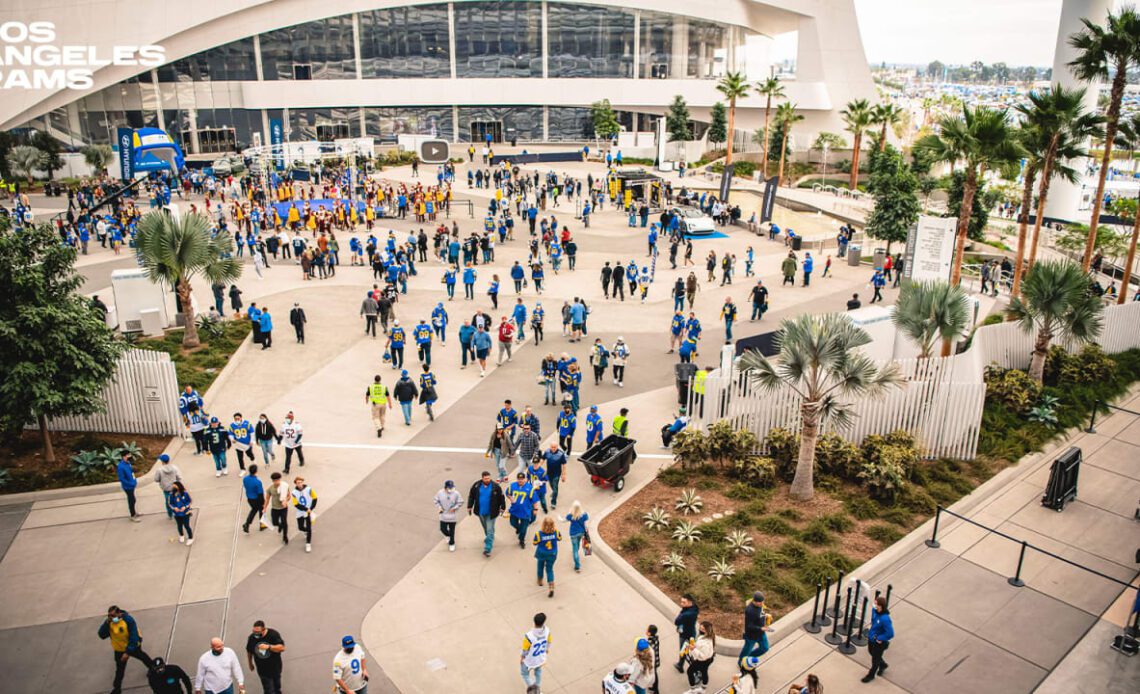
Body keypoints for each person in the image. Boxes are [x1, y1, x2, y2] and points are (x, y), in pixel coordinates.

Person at [100, 605, 153, 694]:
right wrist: (106, 624)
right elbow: (101, 635)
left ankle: (153, 668)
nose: (111, 618)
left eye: (113, 615)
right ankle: (117, 688)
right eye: (109, 615)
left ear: (119, 613)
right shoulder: (109, 623)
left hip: (133, 646)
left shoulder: (128, 620)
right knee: (119, 670)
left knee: (143, 657)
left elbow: (134, 637)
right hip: (119, 650)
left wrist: (128, 652)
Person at [467, 470, 507, 557]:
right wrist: (469, 506)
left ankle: (487, 548)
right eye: (485, 479)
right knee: (486, 528)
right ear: (482, 478)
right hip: (480, 512)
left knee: (489, 529)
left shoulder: (496, 486)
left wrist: (503, 507)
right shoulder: (476, 485)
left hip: (491, 512)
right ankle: (490, 536)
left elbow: (501, 497)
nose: (487, 480)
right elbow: (471, 496)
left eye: (488, 478)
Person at [245, 621, 286, 694]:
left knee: (277, 688)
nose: (255, 634)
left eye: (258, 632)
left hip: (275, 668)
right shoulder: (252, 638)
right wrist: (250, 663)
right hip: (263, 670)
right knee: (269, 690)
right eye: (254, 631)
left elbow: (282, 648)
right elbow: (249, 651)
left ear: (263, 629)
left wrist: (269, 647)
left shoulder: (273, 634)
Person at [861, 596, 893, 683]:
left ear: (880, 606)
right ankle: (882, 665)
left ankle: (871, 675)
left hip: (879, 643)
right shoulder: (874, 611)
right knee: (871, 652)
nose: (874, 605)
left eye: (876, 604)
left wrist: (880, 638)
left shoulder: (885, 619)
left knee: (875, 660)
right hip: (872, 638)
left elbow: (890, 633)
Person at [682, 621, 716, 693]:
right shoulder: (707, 636)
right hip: (708, 659)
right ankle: (703, 689)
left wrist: (693, 649)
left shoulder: (706, 643)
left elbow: (703, 656)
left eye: (703, 629)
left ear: (707, 630)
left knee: (690, 671)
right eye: (700, 628)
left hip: (703, 661)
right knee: (704, 672)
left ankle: (693, 690)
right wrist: (694, 646)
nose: (700, 630)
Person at [520, 613, 550, 692]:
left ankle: (535, 690)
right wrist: (546, 649)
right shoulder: (547, 631)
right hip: (540, 659)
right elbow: (549, 641)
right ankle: (537, 687)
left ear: (534, 622)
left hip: (529, 660)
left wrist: (522, 658)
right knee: (538, 672)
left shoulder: (529, 636)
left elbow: (525, 650)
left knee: (524, 674)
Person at [533, 516, 562, 597]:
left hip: (542, 553)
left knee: (540, 566)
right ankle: (551, 584)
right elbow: (560, 538)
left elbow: (535, 543)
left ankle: (540, 580)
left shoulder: (539, 534)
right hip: (552, 553)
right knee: (549, 569)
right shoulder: (556, 532)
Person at [507, 471, 538, 548]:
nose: (520, 480)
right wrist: (510, 498)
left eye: (522, 478)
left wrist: (535, 509)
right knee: (512, 523)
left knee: (524, 529)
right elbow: (507, 493)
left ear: (525, 479)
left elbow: (535, 500)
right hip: (515, 510)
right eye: (519, 479)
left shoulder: (530, 488)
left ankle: (521, 540)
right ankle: (518, 528)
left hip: (525, 512)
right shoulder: (512, 486)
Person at [740, 592, 770, 660]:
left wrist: (765, 615)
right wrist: (760, 628)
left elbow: (760, 613)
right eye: (761, 602)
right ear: (755, 602)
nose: (762, 603)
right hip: (751, 636)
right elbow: (749, 626)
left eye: (763, 601)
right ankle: (741, 662)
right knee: (746, 651)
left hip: (761, 633)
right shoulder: (750, 611)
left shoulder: (760, 605)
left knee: (765, 648)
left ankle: (749, 657)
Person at [672, 595, 699, 672]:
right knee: (686, 651)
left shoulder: (686, 614)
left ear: (690, 602)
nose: (681, 604)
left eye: (684, 602)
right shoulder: (695, 608)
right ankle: (681, 664)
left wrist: (682, 612)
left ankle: (682, 665)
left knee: (683, 651)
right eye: (681, 602)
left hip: (685, 635)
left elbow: (676, 621)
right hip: (691, 632)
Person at [434, 479, 462, 552]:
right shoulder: (440, 493)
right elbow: (436, 500)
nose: (451, 489)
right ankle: (447, 535)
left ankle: (452, 543)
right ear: (445, 487)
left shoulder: (456, 493)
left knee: (452, 531)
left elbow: (460, 502)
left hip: (453, 516)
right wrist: (440, 507)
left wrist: (454, 508)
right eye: (449, 487)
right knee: (442, 529)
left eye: (452, 487)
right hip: (443, 516)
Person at [291, 476, 317, 553]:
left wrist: (311, 509)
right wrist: (306, 509)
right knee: (300, 527)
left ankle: (308, 543)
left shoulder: (309, 489)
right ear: (295, 483)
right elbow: (296, 504)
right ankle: (306, 531)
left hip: (308, 512)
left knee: (309, 528)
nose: (300, 484)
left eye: (301, 482)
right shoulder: (294, 493)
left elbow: (315, 498)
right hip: (300, 511)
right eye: (298, 483)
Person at [153, 453, 181, 520]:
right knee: (177, 500)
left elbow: (156, 479)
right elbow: (179, 477)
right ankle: (178, 513)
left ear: (162, 461)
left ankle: (170, 514)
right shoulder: (174, 468)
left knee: (168, 502)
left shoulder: (159, 470)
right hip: (175, 488)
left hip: (166, 489)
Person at [563, 500, 589, 572]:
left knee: (574, 549)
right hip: (581, 532)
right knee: (577, 543)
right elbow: (586, 524)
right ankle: (576, 551)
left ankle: (577, 566)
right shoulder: (584, 514)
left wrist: (559, 518)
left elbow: (563, 520)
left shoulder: (571, 515)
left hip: (573, 533)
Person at [116, 448, 142, 522]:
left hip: (132, 485)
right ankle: (132, 515)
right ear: (124, 456)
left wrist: (134, 480)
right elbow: (122, 479)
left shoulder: (128, 463)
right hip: (127, 487)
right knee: (132, 500)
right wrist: (131, 483)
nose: (130, 456)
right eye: (128, 455)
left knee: (133, 499)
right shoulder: (121, 467)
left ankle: (134, 513)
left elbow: (131, 473)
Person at [264, 472, 289, 545]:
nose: (277, 482)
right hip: (274, 508)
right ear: (272, 481)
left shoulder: (284, 486)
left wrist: (285, 501)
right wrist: (264, 508)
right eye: (275, 480)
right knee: (274, 522)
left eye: (278, 480)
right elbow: (267, 499)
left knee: (284, 522)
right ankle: (280, 525)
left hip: (283, 508)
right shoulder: (270, 489)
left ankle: (285, 536)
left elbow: (289, 496)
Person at [240, 465, 265, 534]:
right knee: (261, 510)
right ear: (256, 471)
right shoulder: (257, 482)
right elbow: (260, 493)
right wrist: (263, 502)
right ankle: (261, 525)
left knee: (254, 510)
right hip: (256, 498)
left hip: (249, 498)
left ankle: (247, 524)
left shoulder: (245, 479)